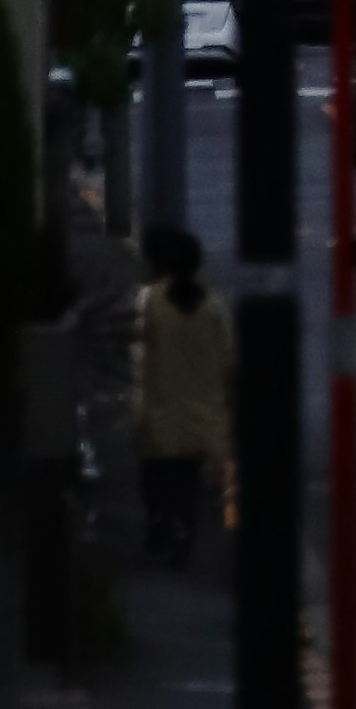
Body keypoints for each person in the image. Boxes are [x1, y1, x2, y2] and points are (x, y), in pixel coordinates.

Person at [134, 224, 233, 565]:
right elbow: (228, 360)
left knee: (156, 475)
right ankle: (182, 530)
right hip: (203, 415)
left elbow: (137, 355)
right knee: (188, 480)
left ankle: (160, 518)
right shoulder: (212, 305)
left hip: (158, 411)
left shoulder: (148, 300)